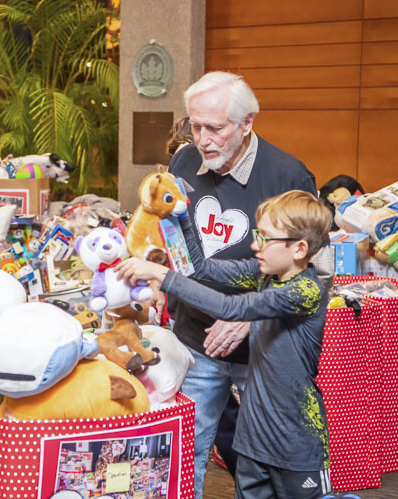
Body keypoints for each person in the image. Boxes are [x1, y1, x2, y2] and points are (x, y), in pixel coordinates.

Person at [117, 190, 333, 498]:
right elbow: (200, 269)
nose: (255, 245)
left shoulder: (306, 292)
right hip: (252, 440)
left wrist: (160, 274)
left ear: (299, 248)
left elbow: (232, 309)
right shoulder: (264, 273)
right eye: (258, 234)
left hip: (296, 443)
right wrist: (183, 220)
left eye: (266, 238)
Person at [165, 70, 319, 497]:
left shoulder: (288, 176)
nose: (202, 139)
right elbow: (182, 246)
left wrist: (247, 320)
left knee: (262, 460)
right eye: (196, 125)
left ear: (247, 122)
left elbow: (312, 272)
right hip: (196, 336)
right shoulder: (183, 162)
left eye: (215, 128)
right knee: (186, 451)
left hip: (263, 348)